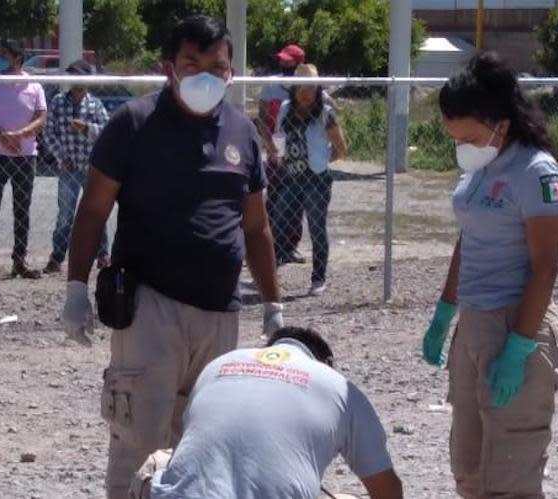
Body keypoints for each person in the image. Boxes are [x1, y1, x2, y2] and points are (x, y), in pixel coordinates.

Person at [60, 16, 285, 498]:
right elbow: (94, 208)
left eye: (217, 66)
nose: (206, 75)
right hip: (149, 307)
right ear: (169, 68)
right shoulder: (133, 123)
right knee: (139, 442)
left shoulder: (242, 132)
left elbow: (256, 225)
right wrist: (76, 287)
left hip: (221, 312)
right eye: (192, 63)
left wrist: (273, 304)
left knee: (203, 446)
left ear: (231, 71)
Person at [421, 52, 558, 498]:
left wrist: (519, 347)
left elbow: (546, 268)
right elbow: (468, 241)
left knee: (511, 475)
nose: (461, 145)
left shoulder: (537, 172)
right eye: (455, 137)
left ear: (500, 124)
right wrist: (444, 314)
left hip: (515, 323)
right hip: (474, 322)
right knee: (468, 467)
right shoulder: (480, 169)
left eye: (468, 135)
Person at [130, 327, 403, 499]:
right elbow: (388, 490)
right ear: (326, 363)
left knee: (164, 462)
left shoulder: (220, 365)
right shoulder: (339, 388)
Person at [269, 63, 348, 296]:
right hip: (291, 177)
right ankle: (269, 275)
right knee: (278, 224)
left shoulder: (325, 113)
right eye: (302, 88)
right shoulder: (285, 108)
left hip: (316, 179)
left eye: (311, 89)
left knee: (316, 228)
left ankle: (318, 278)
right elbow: (279, 137)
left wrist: (322, 161)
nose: (306, 93)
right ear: (294, 89)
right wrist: (280, 157)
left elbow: (341, 147)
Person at [0, 39, 46, 280]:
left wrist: (19, 135)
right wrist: (2, 137)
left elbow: (41, 117)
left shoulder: (34, 86)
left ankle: (19, 260)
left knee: (22, 209)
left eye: (4, 55)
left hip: (25, 156)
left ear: (17, 58)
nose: (0, 59)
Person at [43, 60, 111, 274]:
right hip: (68, 168)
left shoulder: (95, 105)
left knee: (97, 212)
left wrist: (86, 128)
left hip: (93, 168)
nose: (75, 80)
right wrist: (61, 157)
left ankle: (102, 255)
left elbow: (107, 132)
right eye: (71, 76)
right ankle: (57, 256)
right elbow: (48, 133)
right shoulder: (57, 102)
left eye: (79, 76)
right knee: (65, 214)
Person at [259, 43, 307, 265]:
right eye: (282, 60)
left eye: (288, 61)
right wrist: (270, 146)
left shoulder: (306, 86)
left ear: (299, 63)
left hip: (298, 152)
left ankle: (290, 247)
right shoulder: (271, 85)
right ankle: (270, 246)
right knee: (274, 199)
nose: (283, 64)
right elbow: (262, 118)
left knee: (297, 200)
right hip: (276, 150)